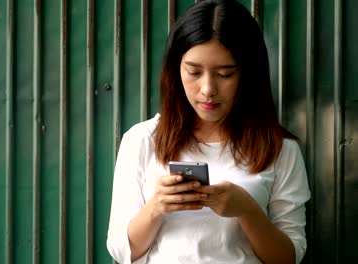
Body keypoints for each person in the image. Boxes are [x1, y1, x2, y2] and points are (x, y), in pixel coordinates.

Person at [106, 0, 311, 263]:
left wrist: (248, 210)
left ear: (247, 74)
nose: (207, 89)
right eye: (193, 72)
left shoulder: (280, 148)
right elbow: (122, 251)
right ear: (175, 70)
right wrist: (156, 207)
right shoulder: (142, 140)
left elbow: (288, 258)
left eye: (225, 74)